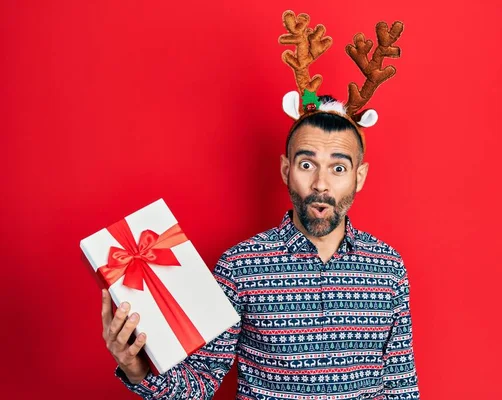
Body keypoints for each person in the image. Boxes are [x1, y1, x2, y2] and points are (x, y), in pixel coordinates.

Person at [101, 11, 419, 400]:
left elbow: (401, 388)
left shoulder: (388, 269)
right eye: (307, 165)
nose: (320, 183)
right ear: (286, 170)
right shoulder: (240, 267)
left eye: (338, 167)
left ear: (359, 177)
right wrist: (136, 368)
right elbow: (199, 382)